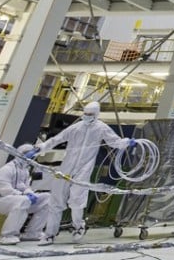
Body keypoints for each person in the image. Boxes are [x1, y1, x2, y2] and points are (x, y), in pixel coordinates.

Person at [34, 101, 134, 245]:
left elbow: (115, 142)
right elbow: (57, 139)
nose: (87, 116)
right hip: (67, 167)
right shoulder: (76, 127)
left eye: (90, 114)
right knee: (56, 200)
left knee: (77, 199)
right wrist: (41, 147)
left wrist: (127, 142)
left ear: (96, 114)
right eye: (85, 114)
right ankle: (49, 235)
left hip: (84, 168)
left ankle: (78, 226)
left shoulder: (101, 128)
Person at [0, 144, 51, 244]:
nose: (30, 158)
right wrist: (23, 195)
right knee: (23, 200)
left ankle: (33, 233)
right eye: (28, 155)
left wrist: (30, 193)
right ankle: (7, 236)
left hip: (18, 201)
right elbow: (5, 190)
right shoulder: (7, 169)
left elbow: (25, 187)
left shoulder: (25, 171)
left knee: (48, 199)